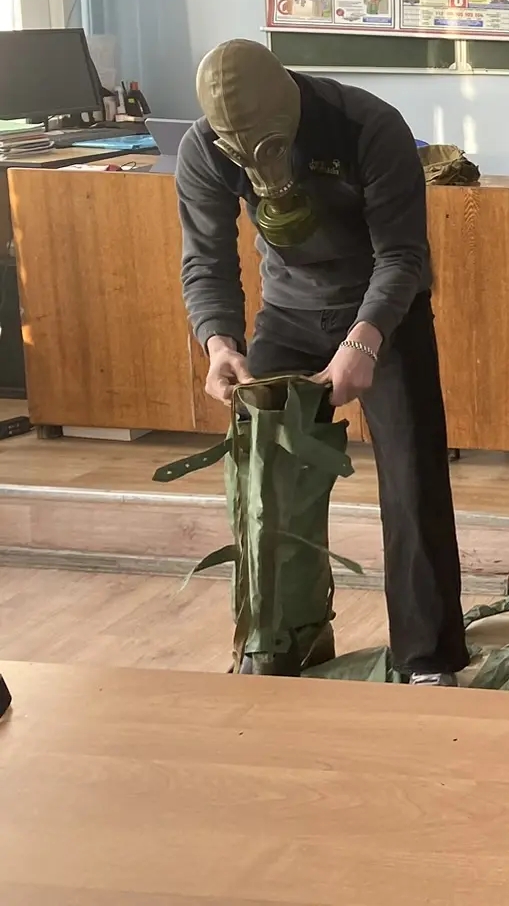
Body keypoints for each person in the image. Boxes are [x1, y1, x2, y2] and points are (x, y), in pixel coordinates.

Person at [176, 39, 468, 685]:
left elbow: (403, 256)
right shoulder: (203, 149)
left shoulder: (369, 126)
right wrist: (219, 343)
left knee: (413, 479)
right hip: (287, 313)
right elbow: (206, 262)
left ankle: (428, 659)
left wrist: (364, 341)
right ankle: (284, 639)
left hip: (384, 312)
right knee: (265, 484)